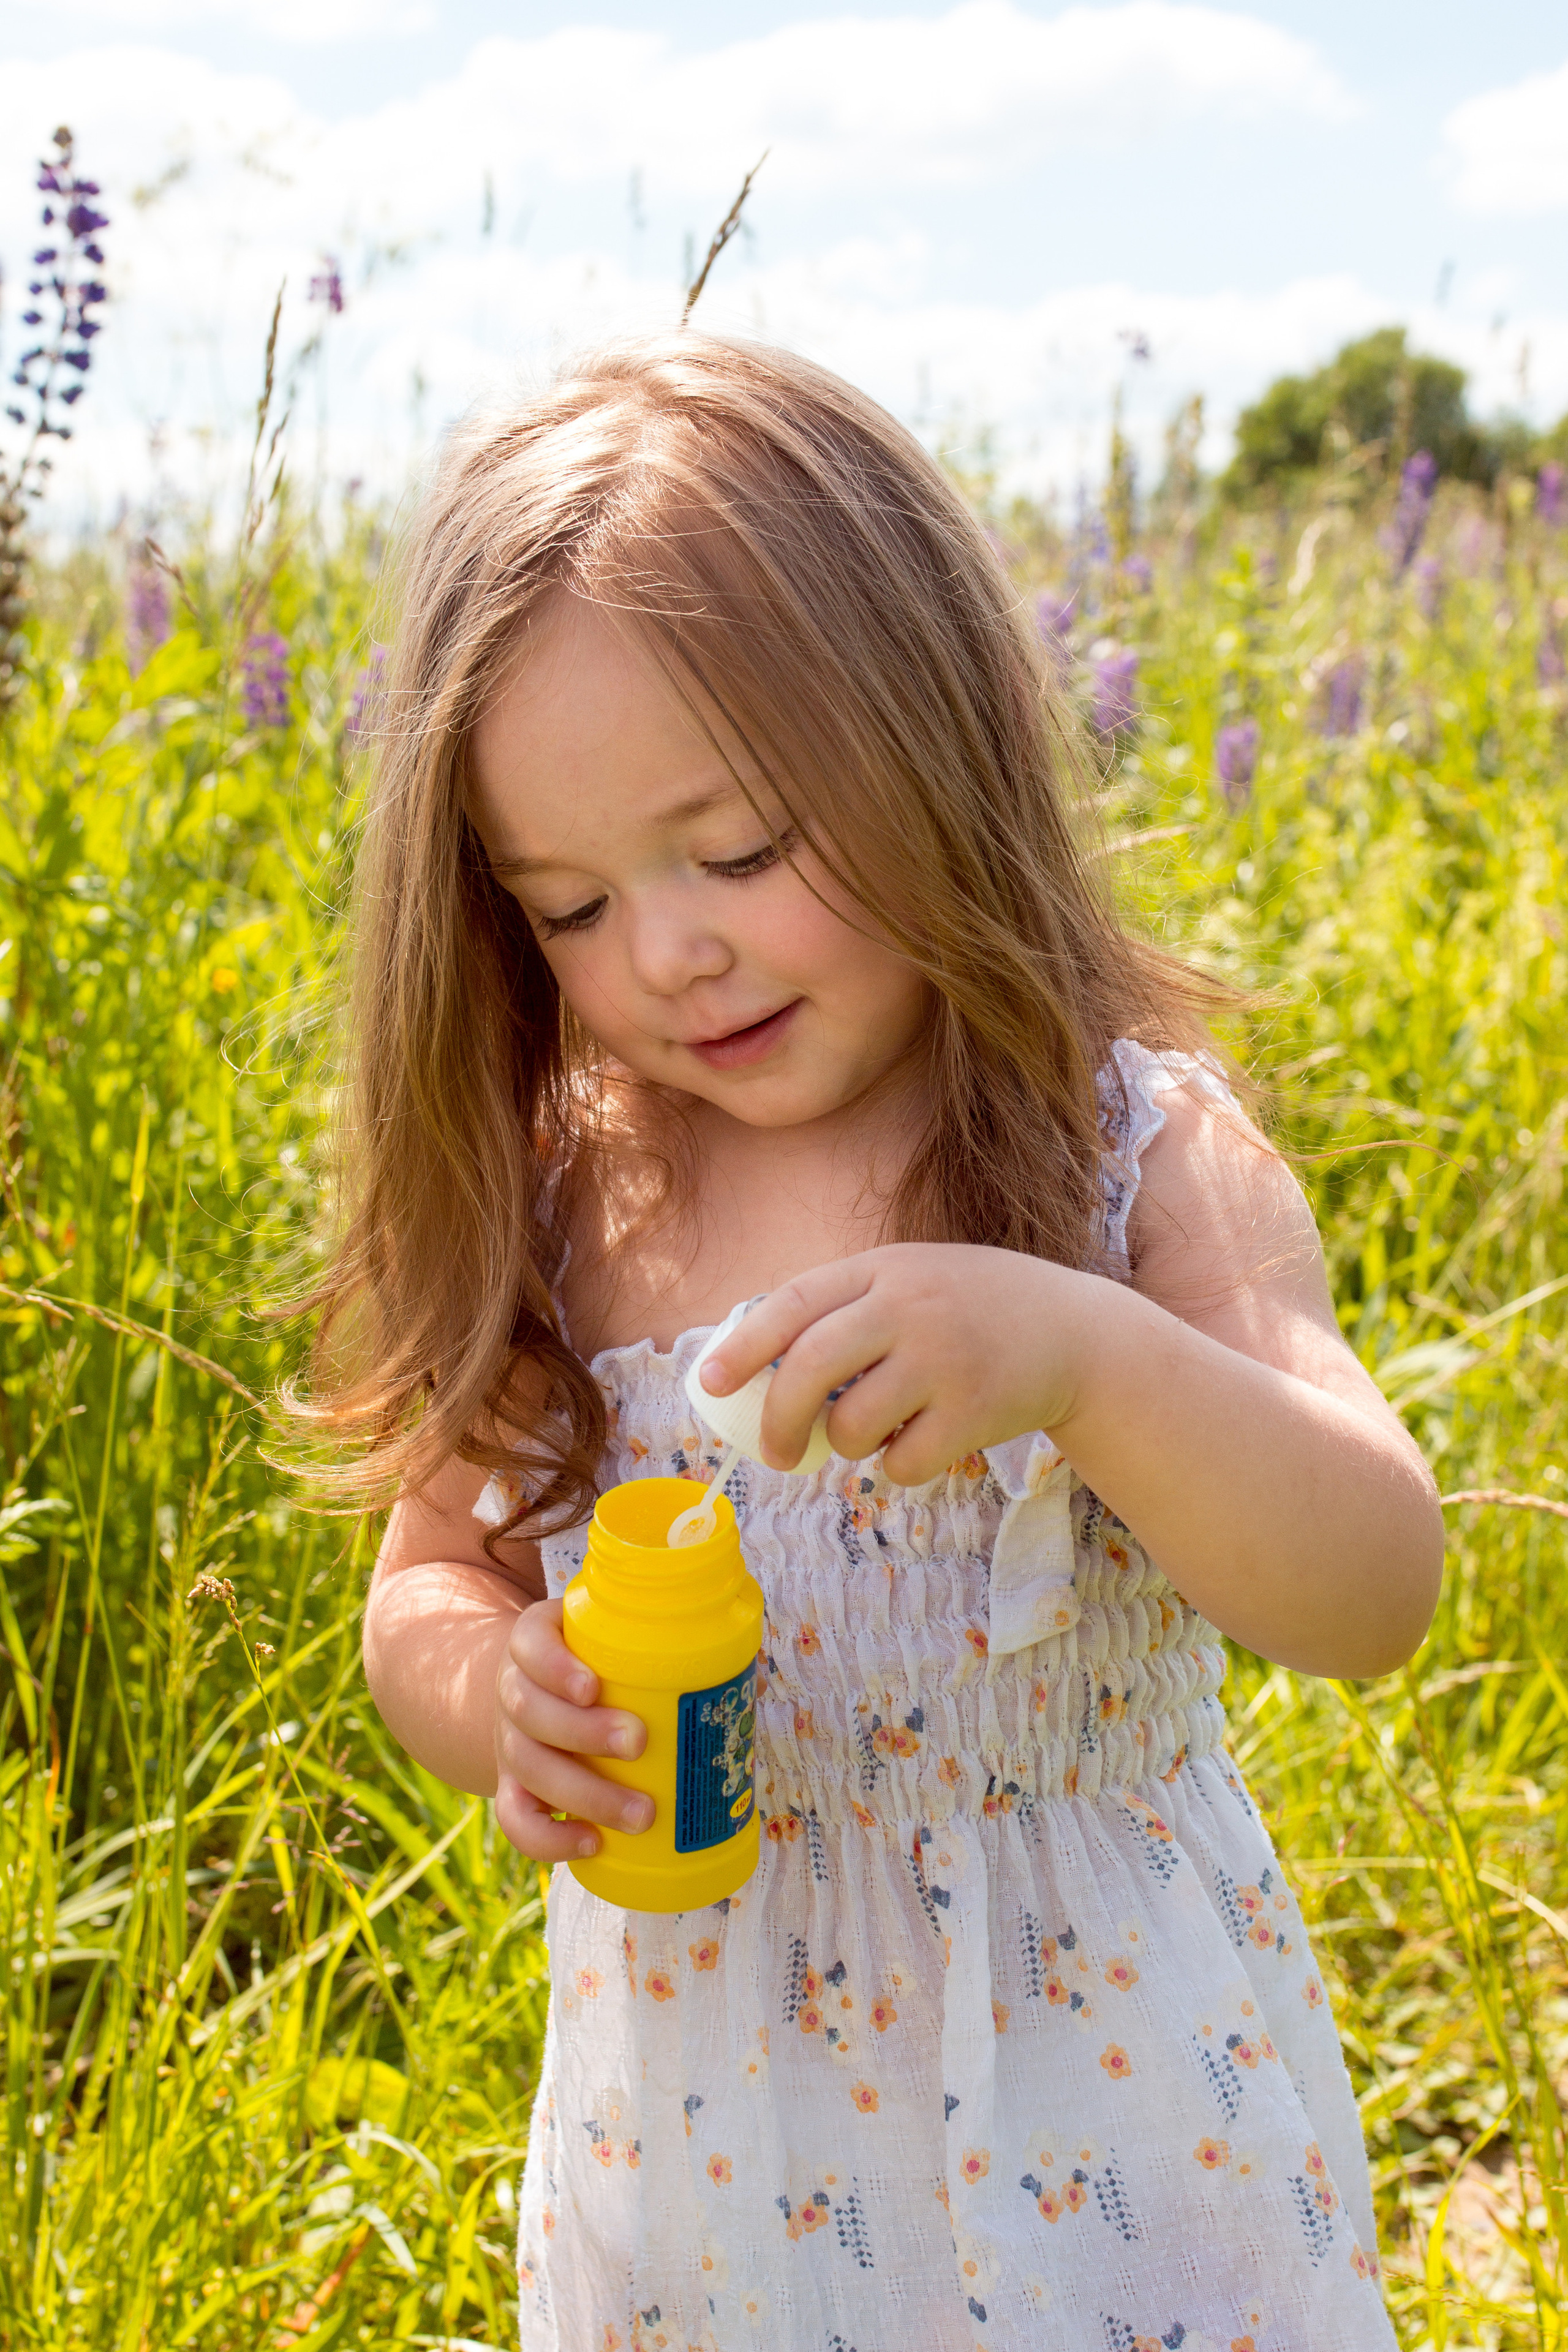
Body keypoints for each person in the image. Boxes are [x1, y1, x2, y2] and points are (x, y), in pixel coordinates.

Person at [309, 334, 1444, 2350]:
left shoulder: (1123, 1154)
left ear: (931, 746)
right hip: (706, 2159)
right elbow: (430, 1573)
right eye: (567, 905)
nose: (669, 951)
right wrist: (501, 1698)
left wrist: (1096, 1363)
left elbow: (1371, 1584)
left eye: (738, 851)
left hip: (1112, 2144)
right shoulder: (565, 1205)